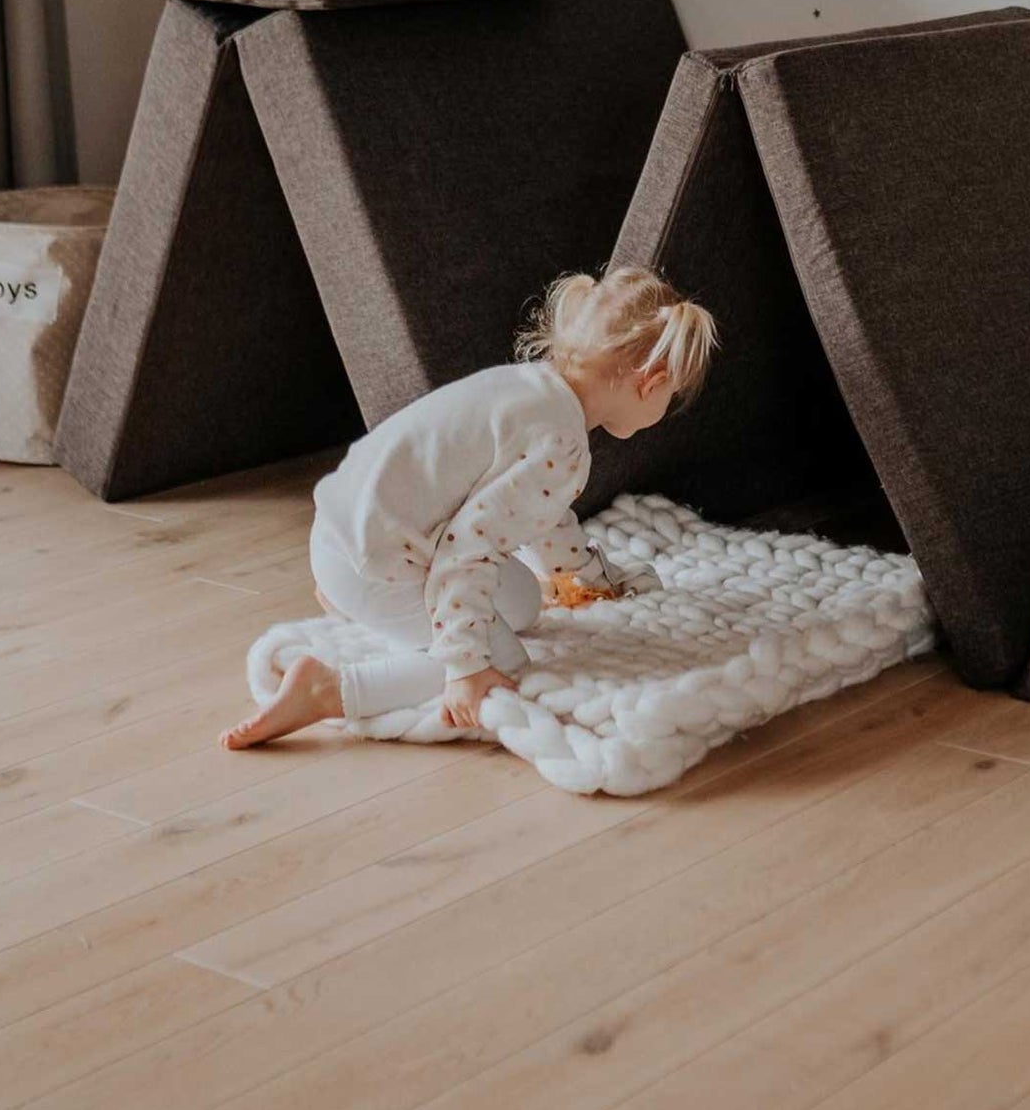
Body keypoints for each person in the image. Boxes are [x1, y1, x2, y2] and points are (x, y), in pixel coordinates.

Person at [220, 266, 717, 749]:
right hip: (375, 564)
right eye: (668, 397)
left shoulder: (533, 389)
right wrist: (465, 665)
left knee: (522, 601)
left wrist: (587, 574)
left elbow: (542, 514)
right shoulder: (558, 445)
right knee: (501, 658)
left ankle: (358, 605)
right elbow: (468, 551)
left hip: (343, 537)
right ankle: (330, 688)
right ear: (651, 382)